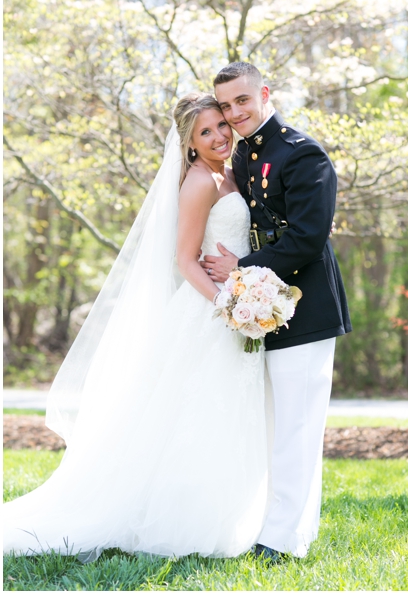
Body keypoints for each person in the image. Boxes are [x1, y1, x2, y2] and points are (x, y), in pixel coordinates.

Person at [4, 94, 269, 559]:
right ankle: (177, 520)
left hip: (235, 303)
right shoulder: (198, 183)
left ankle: (223, 513)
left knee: (222, 412)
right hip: (209, 311)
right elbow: (185, 261)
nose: (219, 136)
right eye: (205, 132)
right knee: (193, 412)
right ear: (188, 143)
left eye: (221, 126)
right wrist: (231, 307)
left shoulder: (229, 173)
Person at [200, 62, 351, 562]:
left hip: (305, 308)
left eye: (242, 100)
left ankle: (284, 540)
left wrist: (241, 267)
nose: (235, 112)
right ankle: (281, 526)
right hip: (260, 308)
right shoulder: (243, 157)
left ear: (264, 94)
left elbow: (307, 238)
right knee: (272, 424)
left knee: (298, 427)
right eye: (225, 105)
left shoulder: (303, 153)